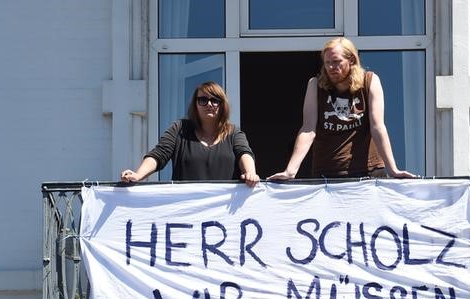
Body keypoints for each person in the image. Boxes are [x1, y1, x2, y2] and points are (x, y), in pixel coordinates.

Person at [269, 37, 416, 180]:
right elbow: (308, 130)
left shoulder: (369, 81)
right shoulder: (315, 85)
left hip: (368, 171)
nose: (331, 67)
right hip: (326, 172)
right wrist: (290, 171)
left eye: (336, 62)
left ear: (351, 60)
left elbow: (377, 127)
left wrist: (393, 170)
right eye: (327, 63)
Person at [121, 82, 259, 187]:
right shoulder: (179, 129)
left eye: (215, 100)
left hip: (223, 217)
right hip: (187, 216)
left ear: (222, 105)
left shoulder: (233, 132)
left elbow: (244, 153)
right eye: (203, 100)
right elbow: (159, 154)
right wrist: (138, 175)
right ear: (195, 104)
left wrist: (250, 173)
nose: (209, 104)